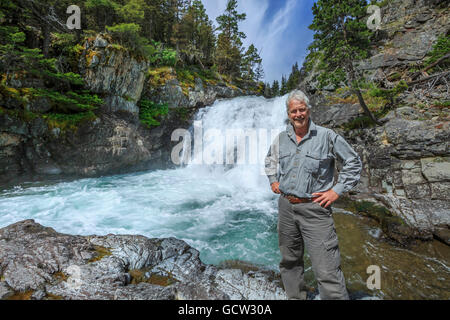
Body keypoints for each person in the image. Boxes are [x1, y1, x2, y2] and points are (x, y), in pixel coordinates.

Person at [265, 89, 362, 300]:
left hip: (315, 209)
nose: (298, 114)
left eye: (301, 110)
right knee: (289, 260)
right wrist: (273, 180)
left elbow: (354, 161)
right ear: (288, 114)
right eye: (294, 111)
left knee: (327, 268)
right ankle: (295, 297)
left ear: (308, 110)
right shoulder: (282, 138)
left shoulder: (327, 136)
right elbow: (269, 160)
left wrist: (336, 191)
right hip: (286, 206)